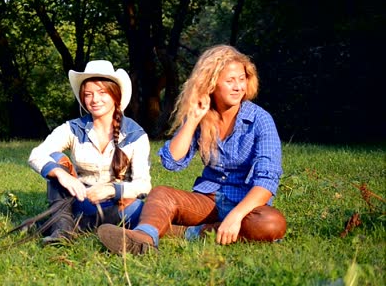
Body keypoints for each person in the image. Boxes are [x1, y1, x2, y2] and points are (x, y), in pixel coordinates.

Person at [97, 45, 287, 255]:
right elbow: (172, 162)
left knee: (271, 224)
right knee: (161, 193)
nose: (238, 87)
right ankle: (144, 238)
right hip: (208, 201)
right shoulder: (203, 116)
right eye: (230, 80)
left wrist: (236, 216)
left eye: (242, 79)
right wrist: (193, 120)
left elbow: (267, 180)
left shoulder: (261, 120)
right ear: (212, 84)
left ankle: (186, 233)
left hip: (247, 206)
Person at [28, 60, 151, 244]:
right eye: (88, 94)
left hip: (118, 205)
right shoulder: (72, 128)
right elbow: (36, 155)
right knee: (55, 160)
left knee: (143, 211)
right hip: (80, 200)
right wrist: (62, 175)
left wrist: (110, 190)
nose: (95, 100)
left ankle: (70, 225)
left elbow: (144, 185)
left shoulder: (136, 134)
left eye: (102, 93)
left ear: (115, 95)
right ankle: (62, 230)